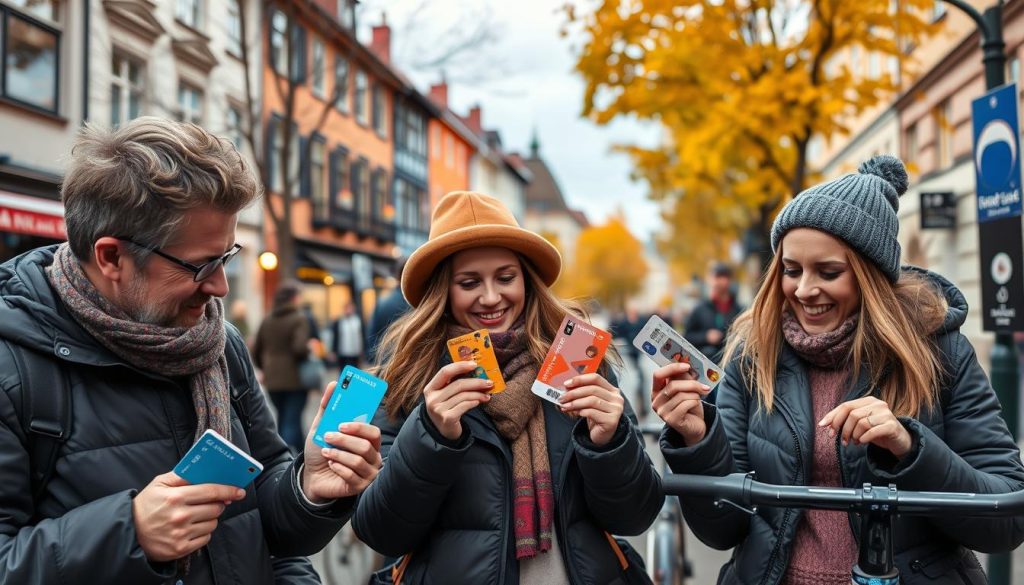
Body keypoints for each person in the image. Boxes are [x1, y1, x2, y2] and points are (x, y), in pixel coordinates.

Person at [0, 117, 382, 584]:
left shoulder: (220, 344)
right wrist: (130, 531)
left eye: (226, 258)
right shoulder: (12, 369)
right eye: (201, 266)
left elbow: (268, 534)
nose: (219, 286)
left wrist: (310, 488)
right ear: (112, 257)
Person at [654, 155, 1024, 585]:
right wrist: (698, 441)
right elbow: (723, 530)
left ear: (870, 276)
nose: (805, 290)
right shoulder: (753, 355)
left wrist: (910, 447)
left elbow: (1005, 520)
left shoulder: (940, 353)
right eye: (791, 271)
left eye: (828, 272)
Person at [352, 191, 662, 584]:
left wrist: (610, 443)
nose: (491, 297)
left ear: (526, 281)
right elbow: (381, 531)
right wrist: (431, 436)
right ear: (442, 292)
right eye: (469, 282)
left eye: (505, 277)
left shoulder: (579, 359)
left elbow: (635, 515)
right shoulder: (408, 378)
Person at [252, 281, 314, 454]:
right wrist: (311, 347)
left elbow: (256, 349)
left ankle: (302, 455)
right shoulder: (299, 318)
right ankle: (287, 461)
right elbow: (300, 348)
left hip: (272, 379)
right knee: (291, 421)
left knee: (284, 418)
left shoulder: (268, 319)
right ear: (294, 298)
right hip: (294, 379)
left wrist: (264, 367)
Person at [684, 261, 743, 365]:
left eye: (723, 277)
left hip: (731, 366)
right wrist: (705, 337)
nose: (718, 282)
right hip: (706, 366)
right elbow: (687, 337)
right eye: (716, 277)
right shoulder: (700, 309)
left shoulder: (738, 310)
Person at [366, 257, 411, 364]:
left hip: (384, 363)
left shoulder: (383, 302)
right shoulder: (417, 302)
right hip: (410, 366)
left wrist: (375, 362)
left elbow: (372, 336)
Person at [331, 301, 364, 370]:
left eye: (350, 308)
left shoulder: (358, 321)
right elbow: (335, 337)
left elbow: (362, 336)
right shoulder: (339, 321)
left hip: (355, 353)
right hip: (343, 353)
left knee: (354, 372)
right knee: (344, 372)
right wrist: (333, 351)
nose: (348, 310)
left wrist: (363, 350)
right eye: (346, 308)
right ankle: (344, 381)